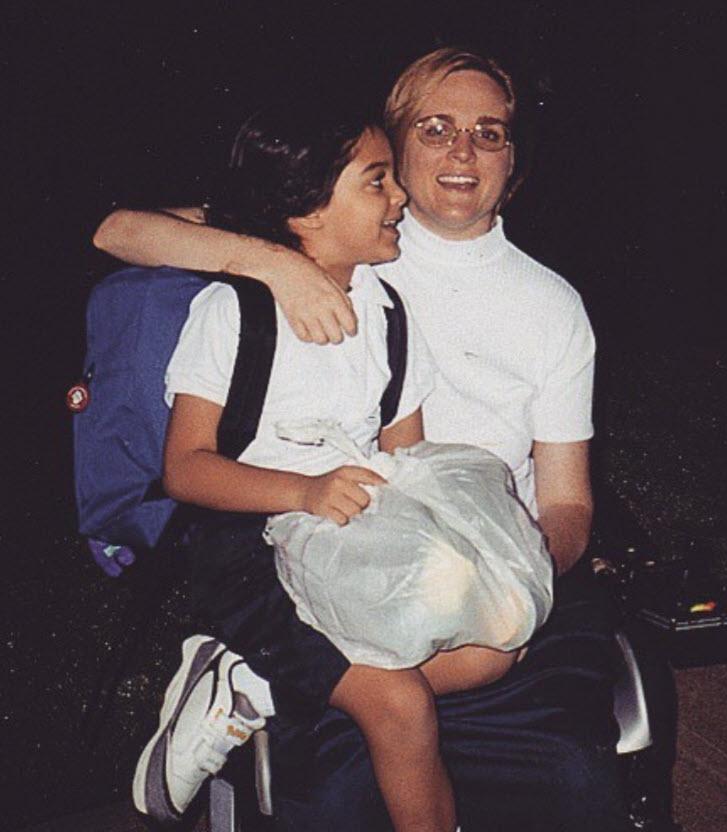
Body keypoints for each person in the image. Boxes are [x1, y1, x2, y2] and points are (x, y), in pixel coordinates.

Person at [95, 48, 629, 832]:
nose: (462, 151)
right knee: (341, 787)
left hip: (480, 553)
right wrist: (276, 266)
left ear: (513, 162)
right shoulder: (354, 236)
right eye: (437, 127)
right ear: (396, 142)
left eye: (489, 133)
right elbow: (117, 232)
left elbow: (567, 502)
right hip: (332, 532)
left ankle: (268, 684)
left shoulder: (552, 307)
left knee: (573, 773)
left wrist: (504, 576)